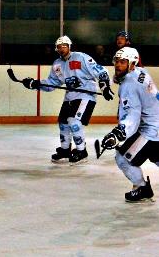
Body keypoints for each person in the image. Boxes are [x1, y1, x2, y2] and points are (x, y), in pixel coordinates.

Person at [22, 35, 114, 164]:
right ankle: (65, 150)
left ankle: (81, 151)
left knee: (74, 121)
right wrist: (35, 84)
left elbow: (99, 70)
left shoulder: (81, 57)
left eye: (64, 46)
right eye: (59, 47)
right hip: (70, 96)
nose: (62, 48)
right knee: (63, 122)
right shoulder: (57, 64)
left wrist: (104, 86)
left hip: (85, 95)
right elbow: (52, 83)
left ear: (69, 46)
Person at [101, 47, 159, 202]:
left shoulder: (129, 85)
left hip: (150, 130)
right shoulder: (141, 72)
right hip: (155, 124)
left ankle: (141, 188)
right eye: (117, 62)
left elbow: (133, 115)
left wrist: (119, 132)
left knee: (122, 158)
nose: (118, 65)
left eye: (122, 62)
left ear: (132, 63)